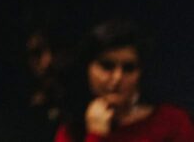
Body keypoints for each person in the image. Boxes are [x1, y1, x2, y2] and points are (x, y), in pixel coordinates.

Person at [55, 18, 194, 142]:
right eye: (107, 66)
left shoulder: (172, 122)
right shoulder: (72, 129)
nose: (117, 78)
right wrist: (96, 135)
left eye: (129, 68)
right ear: (87, 68)